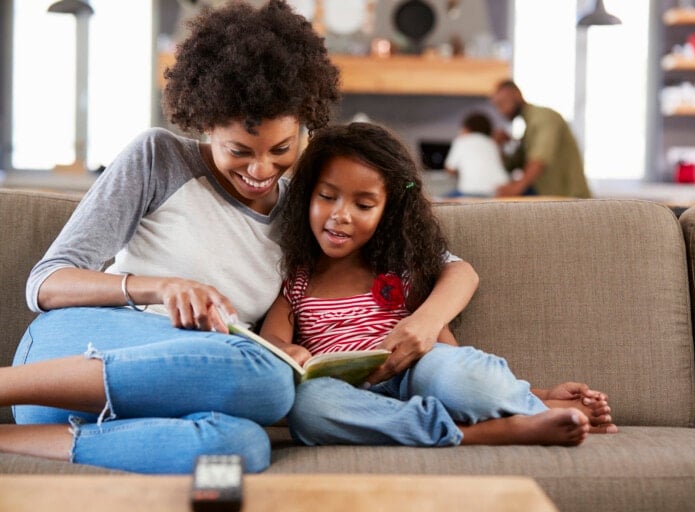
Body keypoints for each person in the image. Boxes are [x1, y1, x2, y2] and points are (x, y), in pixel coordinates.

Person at [0, 1, 478, 474]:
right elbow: (44, 283)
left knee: (244, 446)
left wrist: (425, 323)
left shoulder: (309, 210)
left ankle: (11, 440)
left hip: (179, 387)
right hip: (64, 360)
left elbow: (452, 267)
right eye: (239, 151)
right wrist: (159, 287)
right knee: (267, 379)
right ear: (204, 123)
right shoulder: (158, 158)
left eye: (282, 150)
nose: (260, 170)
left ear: (305, 126)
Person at [259, 122, 617, 449]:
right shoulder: (297, 281)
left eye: (364, 204)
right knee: (309, 408)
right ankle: (487, 431)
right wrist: (288, 352)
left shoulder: (397, 270)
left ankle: (535, 404)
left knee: (458, 376)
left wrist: (537, 388)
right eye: (327, 197)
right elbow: (273, 339)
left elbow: (448, 356)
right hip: (350, 396)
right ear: (307, 196)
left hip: (414, 374)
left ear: (388, 211)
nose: (341, 214)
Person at [491, 79, 592, 199]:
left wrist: (515, 188)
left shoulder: (543, 117)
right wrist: (501, 145)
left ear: (517, 94)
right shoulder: (528, 128)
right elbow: (512, 165)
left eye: (503, 102)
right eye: (497, 106)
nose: (501, 110)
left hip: (571, 199)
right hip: (553, 198)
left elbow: (539, 159)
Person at [443, 111, 509, 198]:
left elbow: (449, 169)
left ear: (467, 128)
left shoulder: (461, 141)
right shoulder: (492, 143)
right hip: (499, 190)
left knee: (438, 200)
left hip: (470, 191)